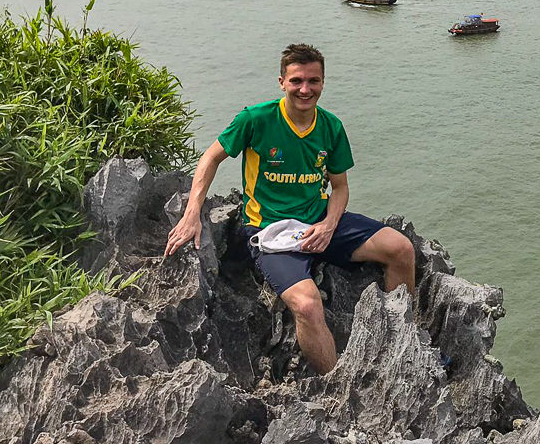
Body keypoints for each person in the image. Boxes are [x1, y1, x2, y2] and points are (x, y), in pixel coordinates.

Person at [165, 43, 415, 374]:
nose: (305, 89)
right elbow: (211, 157)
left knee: (401, 248)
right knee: (308, 305)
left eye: (313, 81)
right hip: (271, 230)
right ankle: (337, 384)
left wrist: (327, 226)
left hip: (319, 221)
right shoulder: (256, 120)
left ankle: (404, 340)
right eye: (296, 81)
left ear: (323, 83)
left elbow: (339, 188)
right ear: (281, 82)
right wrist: (192, 211)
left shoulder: (330, 127)